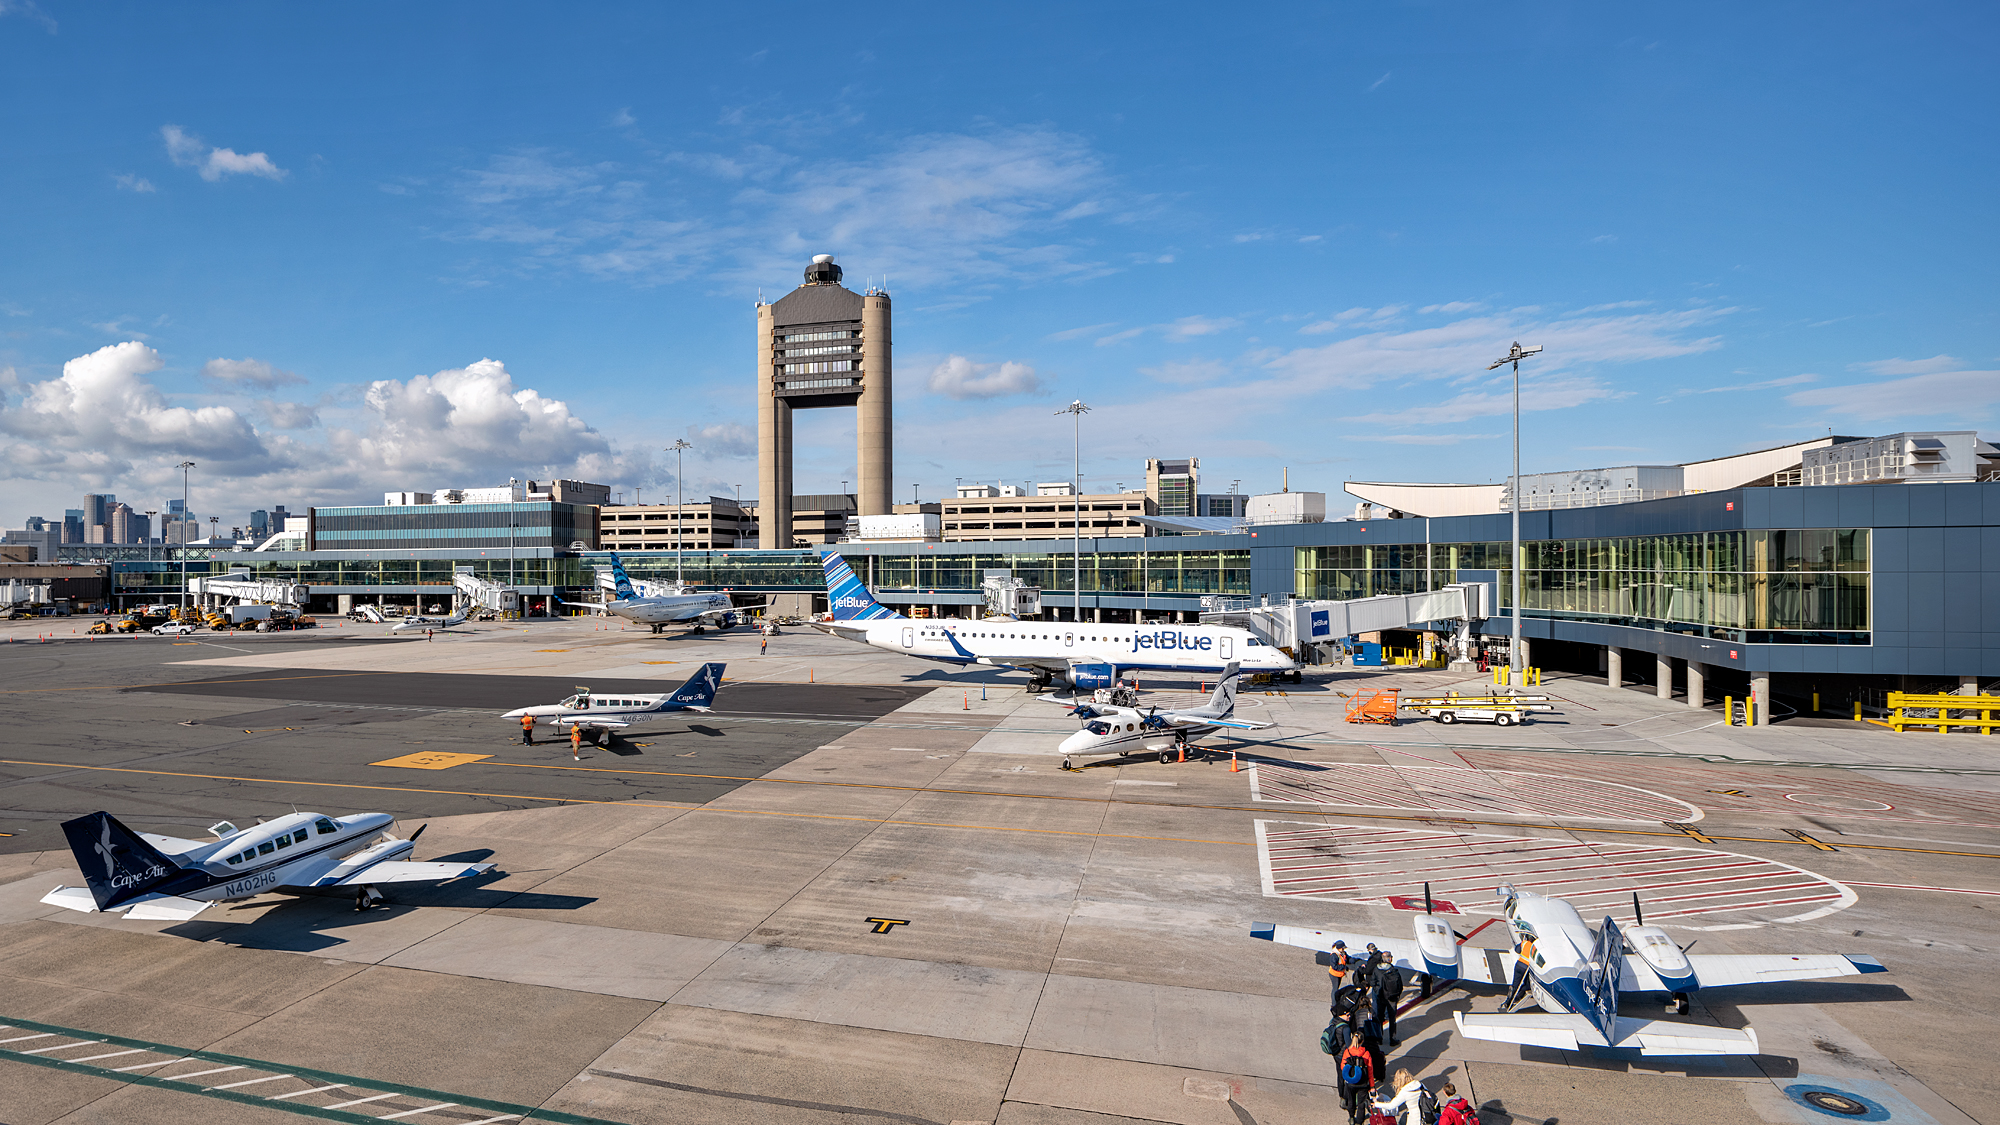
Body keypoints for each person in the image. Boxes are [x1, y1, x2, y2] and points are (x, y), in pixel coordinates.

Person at [1334, 1037, 1375, 1125]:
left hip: (1351, 1082)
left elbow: (1342, 1067)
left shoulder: (1348, 1052)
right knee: (1361, 1103)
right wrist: (1372, 1086)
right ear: (1362, 1041)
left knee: (1351, 1100)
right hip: (1363, 1083)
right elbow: (1370, 1071)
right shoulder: (1366, 1053)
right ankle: (1360, 1121)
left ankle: (1351, 1118)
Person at [1372, 950, 1405, 1047]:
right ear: (1390, 959)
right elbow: (1400, 985)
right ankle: (1392, 1039)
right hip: (1392, 998)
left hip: (1381, 997)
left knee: (1379, 1018)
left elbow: (1372, 982)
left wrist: (1377, 991)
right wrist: (1397, 995)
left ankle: (1379, 1038)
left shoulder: (1377, 969)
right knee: (1392, 1019)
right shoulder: (1393, 970)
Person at [1501, 935, 1538, 1013]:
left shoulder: (1524, 943)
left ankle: (1507, 1002)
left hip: (1518, 965)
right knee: (1528, 985)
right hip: (1525, 968)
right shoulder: (1534, 948)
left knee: (1515, 985)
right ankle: (1518, 996)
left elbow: (1517, 950)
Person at [1326, 940, 1357, 1009]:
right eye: (1342, 948)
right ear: (1339, 948)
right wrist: (1343, 967)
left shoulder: (1342, 953)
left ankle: (1336, 1001)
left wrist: (1354, 960)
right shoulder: (1334, 955)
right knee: (1335, 989)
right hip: (1334, 975)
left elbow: (1347, 959)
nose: (1343, 949)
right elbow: (1334, 966)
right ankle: (1334, 1004)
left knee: (1336, 988)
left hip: (1339, 974)